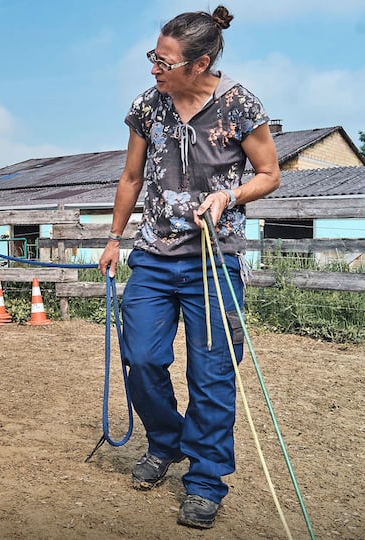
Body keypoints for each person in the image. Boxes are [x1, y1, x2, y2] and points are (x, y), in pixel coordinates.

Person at [97, 5, 280, 530]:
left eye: (164, 60)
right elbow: (131, 177)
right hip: (153, 258)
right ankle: (167, 442)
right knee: (141, 358)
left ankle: (204, 482)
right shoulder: (147, 106)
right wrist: (113, 239)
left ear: (199, 65)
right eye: (153, 56)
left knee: (212, 376)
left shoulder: (240, 105)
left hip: (213, 261)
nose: (153, 66)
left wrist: (231, 195)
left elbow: (269, 174)